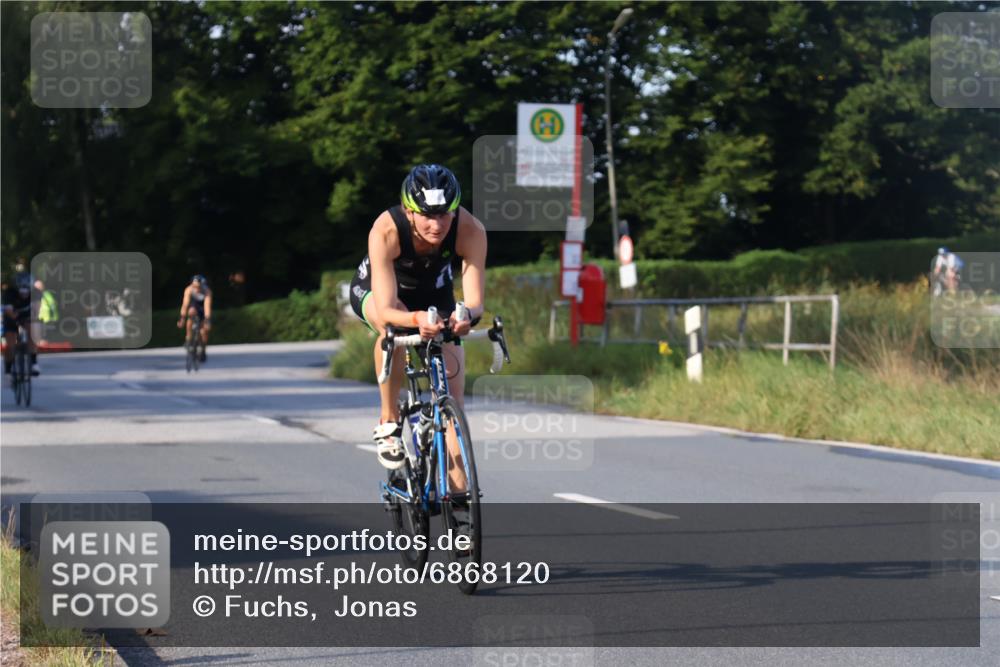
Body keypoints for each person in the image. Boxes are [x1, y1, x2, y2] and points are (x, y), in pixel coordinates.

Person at [349, 164, 487, 480]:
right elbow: (385, 309)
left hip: (434, 295)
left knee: (454, 400)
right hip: (379, 292)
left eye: (444, 214)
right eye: (426, 215)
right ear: (409, 212)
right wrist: (414, 319)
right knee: (392, 329)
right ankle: (389, 420)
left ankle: (459, 502)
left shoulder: (471, 229)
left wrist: (465, 316)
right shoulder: (386, 229)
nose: (436, 224)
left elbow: (475, 301)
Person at [2, 258, 41, 376]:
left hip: (26, 315)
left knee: (33, 330)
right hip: (11, 316)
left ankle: (34, 363)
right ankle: (9, 367)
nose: (24, 293)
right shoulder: (9, 293)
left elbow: (36, 309)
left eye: (27, 291)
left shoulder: (36, 292)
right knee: (10, 342)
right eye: (21, 290)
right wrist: (17, 322)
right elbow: (9, 312)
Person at [177, 275, 212, 362]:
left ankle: (203, 349)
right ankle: (188, 338)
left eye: (198, 287)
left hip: (202, 308)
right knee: (191, 312)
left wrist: (207, 319)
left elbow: (207, 307)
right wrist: (182, 318)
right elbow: (185, 305)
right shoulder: (189, 290)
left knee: (204, 331)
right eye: (194, 286)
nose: (196, 289)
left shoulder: (207, 291)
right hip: (193, 306)